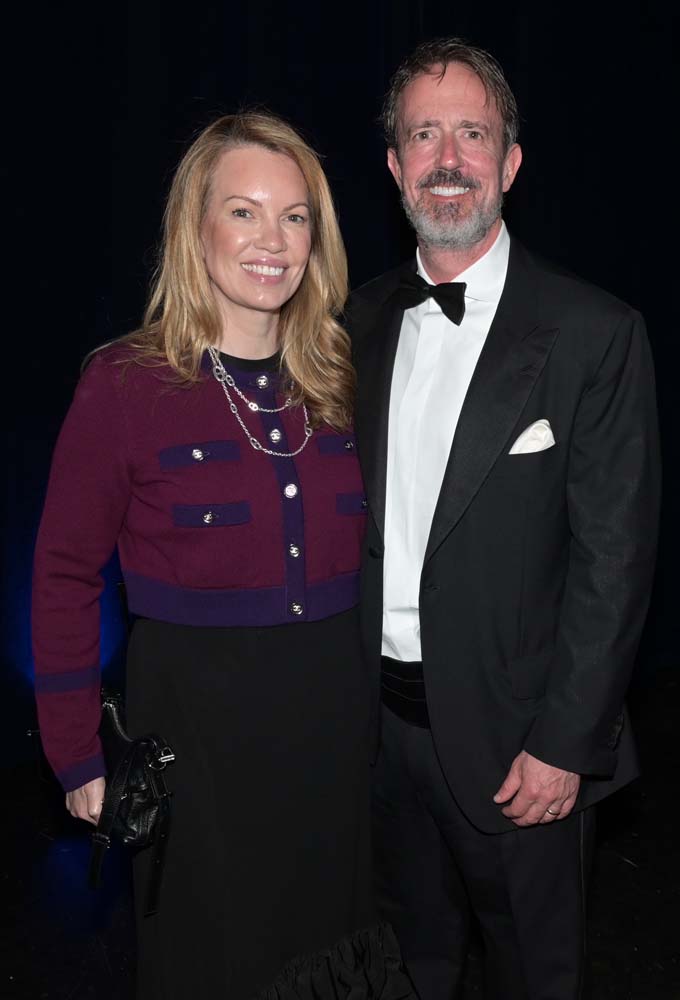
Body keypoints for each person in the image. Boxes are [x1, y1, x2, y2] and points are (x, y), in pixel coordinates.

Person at [32, 113, 413, 1000]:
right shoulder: (124, 384)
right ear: (195, 229)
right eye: (243, 212)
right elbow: (60, 576)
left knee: (332, 959)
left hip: (332, 733)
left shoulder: (345, 378)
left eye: (294, 217)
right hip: (196, 741)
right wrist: (77, 756)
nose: (271, 241)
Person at [347, 38, 661, 1000]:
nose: (449, 157)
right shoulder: (350, 326)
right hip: (375, 740)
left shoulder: (594, 333)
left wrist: (569, 741)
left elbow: (617, 557)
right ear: (395, 166)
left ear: (511, 163)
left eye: (472, 133)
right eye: (424, 134)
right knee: (407, 970)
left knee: (534, 976)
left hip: (522, 752)